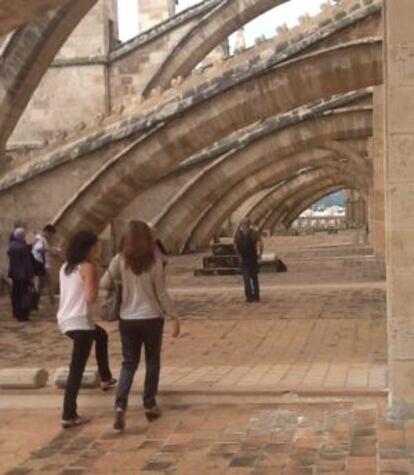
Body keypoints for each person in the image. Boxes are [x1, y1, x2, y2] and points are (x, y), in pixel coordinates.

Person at [101, 220, 180, 432]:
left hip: (128, 319)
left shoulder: (119, 260)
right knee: (152, 361)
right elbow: (161, 293)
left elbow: (104, 284)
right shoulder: (154, 261)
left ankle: (120, 405)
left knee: (129, 363)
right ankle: (149, 404)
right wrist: (174, 317)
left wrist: (119, 282)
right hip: (152, 318)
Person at [57, 230, 116, 429]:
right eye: (96, 246)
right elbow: (90, 297)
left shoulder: (66, 267)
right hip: (80, 322)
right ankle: (68, 414)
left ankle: (106, 377)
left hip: (66, 320)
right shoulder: (88, 267)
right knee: (76, 369)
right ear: (88, 248)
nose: (98, 249)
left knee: (101, 335)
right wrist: (97, 279)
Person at [234, 218, 264, 303]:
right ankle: (254, 296)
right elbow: (260, 243)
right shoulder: (250, 233)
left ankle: (251, 296)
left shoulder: (240, 234)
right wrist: (260, 254)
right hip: (250, 258)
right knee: (252, 278)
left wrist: (239, 256)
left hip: (247, 258)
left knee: (248, 278)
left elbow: (235, 246)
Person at [7, 228, 34, 321]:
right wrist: (30, 275)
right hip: (23, 275)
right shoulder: (23, 247)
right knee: (23, 295)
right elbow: (27, 263)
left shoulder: (11, 245)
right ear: (22, 236)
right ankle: (22, 315)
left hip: (14, 273)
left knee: (15, 294)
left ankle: (15, 312)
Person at [32, 224, 61, 307]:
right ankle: (51, 302)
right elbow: (39, 249)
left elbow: (43, 251)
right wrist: (51, 250)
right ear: (47, 232)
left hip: (44, 265)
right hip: (42, 265)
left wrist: (52, 252)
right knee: (47, 284)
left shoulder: (43, 239)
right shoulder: (39, 239)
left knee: (42, 286)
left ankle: (35, 303)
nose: (51, 237)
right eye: (51, 234)